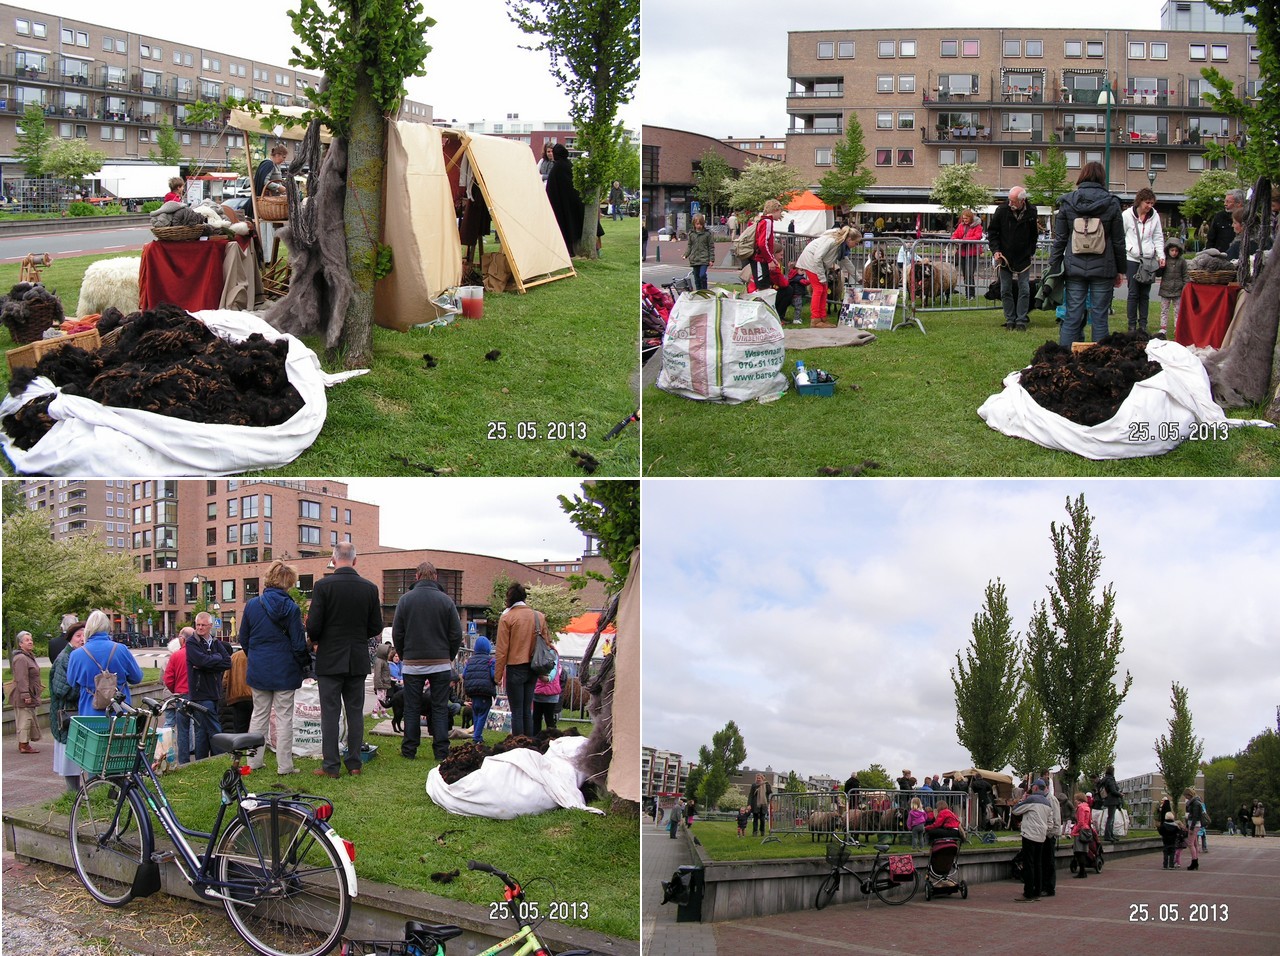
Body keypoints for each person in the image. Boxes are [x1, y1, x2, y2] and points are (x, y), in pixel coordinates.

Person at [307, 542, 383, 777]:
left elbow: (314, 625)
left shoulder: (323, 586)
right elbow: (376, 627)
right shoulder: (369, 588)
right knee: (355, 711)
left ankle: (331, 765)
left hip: (330, 658)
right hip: (357, 657)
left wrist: (319, 640)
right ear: (355, 560)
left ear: (333, 559)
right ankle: (354, 763)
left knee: (330, 713)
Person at [241, 561, 309, 776]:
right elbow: (298, 643)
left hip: (259, 667)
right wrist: (303, 663)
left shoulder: (252, 605)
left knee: (258, 715)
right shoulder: (292, 608)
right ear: (289, 583)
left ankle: (253, 762)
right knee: (284, 718)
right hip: (285, 669)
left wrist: (255, 656)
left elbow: (244, 637)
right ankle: (285, 766)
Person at [1048, 161, 1126, 348]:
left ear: (1082, 176)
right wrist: (1120, 270)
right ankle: (1099, 362)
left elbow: (1060, 239)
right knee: (1100, 316)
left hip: (1074, 267)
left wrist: (1054, 265)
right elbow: (1118, 241)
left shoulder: (1067, 202)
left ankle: (1065, 359)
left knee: (1072, 315)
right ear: (1102, 178)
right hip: (1103, 268)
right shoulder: (1112, 203)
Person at [391, 561, 463, 762]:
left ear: (416, 576)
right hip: (440, 663)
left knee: (412, 708)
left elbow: (398, 632)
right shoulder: (446, 601)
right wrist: (448, 655)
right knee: (439, 707)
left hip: (413, 663)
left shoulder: (405, 600)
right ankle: (441, 751)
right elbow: (456, 634)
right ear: (436, 576)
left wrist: (404, 655)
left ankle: (409, 750)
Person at [66, 610, 144, 717]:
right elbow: (137, 678)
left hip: (89, 714)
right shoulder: (121, 650)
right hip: (120, 713)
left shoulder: (77, 655)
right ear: (108, 627)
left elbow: (72, 682)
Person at [988, 186, 1039, 330]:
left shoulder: (1032, 211)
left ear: (1022, 200)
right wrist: (996, 250)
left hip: (1023, 256)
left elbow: (1033, 235)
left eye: (1013, 201)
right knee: (1005, 289)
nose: (1010, 203)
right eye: (1009, 200)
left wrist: (1031, 251)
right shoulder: (1002, 210)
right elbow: (992, 232)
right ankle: (1010, 319)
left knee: (1024, 289)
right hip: (1005, 256)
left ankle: (1021, 320)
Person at [795, 226, 862, 328]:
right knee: (818, 289)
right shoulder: (832, 241)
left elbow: (847, 263)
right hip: (811, 262)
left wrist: (859, 278)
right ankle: (815, 319)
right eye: (856, 243)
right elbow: (817, 257)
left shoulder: (841, 245)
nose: (856, 245)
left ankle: (822, 318)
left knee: (824, 289)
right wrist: (822, 277)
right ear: (849, 239)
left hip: (816, 263)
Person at [186, 612, 231, 760]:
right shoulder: (192, 642)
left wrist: (210, 662)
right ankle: (221, 757)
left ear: (210, 626)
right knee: (212, 726)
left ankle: (202, 760)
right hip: (200, 693)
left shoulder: (216, 643)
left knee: (202, 728)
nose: (200, 628)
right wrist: (215, 660)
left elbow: (227, 662)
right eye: (197, 625)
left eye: (203, 625)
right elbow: (200, 661)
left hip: (214, 692)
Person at [49, 620, 87, 790]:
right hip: (67, 715)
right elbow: (61, 689)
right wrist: (85, 689)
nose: (82, 639)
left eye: (85, 636)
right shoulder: (64, 658)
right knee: (69, 756)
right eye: (78, 636)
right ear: (70, 638)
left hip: (76, 714)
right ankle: (73, 793)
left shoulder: (78, 656)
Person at [1122, 187, 1165, 333]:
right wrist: (1130, 249)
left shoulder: (1155, 217)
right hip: (1132, 259)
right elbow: (1121, 236)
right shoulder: (1127, 215)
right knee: (1133, 292)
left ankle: (1143, 325)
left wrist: (1161, 255)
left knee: (1145, 294)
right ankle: (1132, 324)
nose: (1149, 206)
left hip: (1148, 259)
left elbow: (1158, 237)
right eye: (1147, 202)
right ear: (1140, 201)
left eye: (1152, 203)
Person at [1010, 780, 1053, 901]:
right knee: (1038, 863)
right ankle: (1037, 891)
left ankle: (1028, 892)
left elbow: (1016, 810)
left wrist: (1021, 801)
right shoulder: (1047, 802)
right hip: (1041, 836)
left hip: (1029, 834)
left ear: (1034, 788)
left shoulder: (1031, 800)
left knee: (1029, 864)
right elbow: (1050, 822)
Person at [162, 627, 194, 764]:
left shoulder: (176, 656)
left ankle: (183, 759)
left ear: (182, 639)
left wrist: (175, 690)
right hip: (198, 695)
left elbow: (167, 679)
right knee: (197, 727)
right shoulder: (200, 653)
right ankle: (200, 756)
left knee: (182, 729)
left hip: (180, 695)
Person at [546, 143, 584, 256]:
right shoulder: (569, 165)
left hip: (561, 204)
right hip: (572, 203)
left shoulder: (557, 168)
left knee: (565, 227)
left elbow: (551, 188)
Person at [10, 630, 43, 754]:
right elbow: (21, 678)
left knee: (28, 718)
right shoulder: (21, 658)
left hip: (30, 693)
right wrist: (25, 694)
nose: (30, 642)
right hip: (23, 695)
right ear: (20, 644)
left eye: (31, 640)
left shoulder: (28, 656)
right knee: (25, 719)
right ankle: (23, 745)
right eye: (27, 640)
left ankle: (24, 744)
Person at [462, 636, 496, 743]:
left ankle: (477, 735)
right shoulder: (490, 661)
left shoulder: (470, 661)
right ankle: (476, 737)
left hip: (472, 691)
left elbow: (463, 675)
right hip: (485, 691)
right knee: (482, 714)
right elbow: (493, 675)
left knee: (476, 713)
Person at [750, 198, 785, 290]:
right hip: (760, 259)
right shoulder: (767, 222)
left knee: (764, 285)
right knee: (762, 287)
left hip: (761, 259)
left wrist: (772, 259)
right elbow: (763, 243)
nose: (780, 215)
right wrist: (770, 260)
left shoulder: (763, 221)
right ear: (775, 210)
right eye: (780, 212)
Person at [1157, 237, 1188, 337]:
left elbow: (1185, 275)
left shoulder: (1182, 261)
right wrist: (1160, 266)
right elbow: (1158, 274)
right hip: (1165, 290)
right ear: (1168, 250)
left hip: (1178, 290)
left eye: (1176, 250)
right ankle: (1163, 328)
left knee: (1177, 311)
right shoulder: (1164, 260)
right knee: (1164, 310)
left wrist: (1185, 287)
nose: (1174, 252)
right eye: (1172, 250)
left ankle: (1177, 328)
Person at [951, 209, 984, 299]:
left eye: (966, 218)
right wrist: (955, 239)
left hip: (972, 253)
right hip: (962, 253)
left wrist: (964, 240)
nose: (964, 220)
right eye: (963, 218)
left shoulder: (978, 226)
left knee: (969, 274)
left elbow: (978, 237)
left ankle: (971, 294)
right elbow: (955, 235)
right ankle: (967, 295)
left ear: (971, 217)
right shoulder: (961, 226)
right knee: (965, 275)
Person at [222, 647, 253, 734]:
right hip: (253, 694)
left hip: (237, 697)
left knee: (240, 727)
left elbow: (225, 680)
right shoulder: (255, 655)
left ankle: (241, 746)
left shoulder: (234, 657)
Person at [531, 648, 562, 735]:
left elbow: (554, 668)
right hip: (539, 692)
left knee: (548, 719)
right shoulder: (540, 651)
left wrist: (548, 678)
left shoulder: (552, 653)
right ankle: (537, 739)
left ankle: (550, 739)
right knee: (537, 719)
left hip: (549, 693)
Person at [683, 213, 715, 291]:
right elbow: (690, 245)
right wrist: (686, 255)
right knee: (696, 277)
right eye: (697, 224)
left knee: (702, 275)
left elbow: (711, 247)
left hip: (704, 258)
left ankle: (704, 289)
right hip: (694, 258)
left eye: (701, 224)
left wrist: (711, 259)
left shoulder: (707, 234)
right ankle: (698, 291)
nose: (699, 226)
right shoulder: (691, 234)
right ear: (694, 224)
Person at [1071, 791, 1094, 878]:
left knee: (1078, 852)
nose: (1075, 801)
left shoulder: (1080, 808)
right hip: (1086, 830)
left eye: (1076, 800)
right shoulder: (1087, 807)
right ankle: (1083, 871)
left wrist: (1074, 831)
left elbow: (1080, 822)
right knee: (1084, 852)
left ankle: (1082, 872)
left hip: (1080, 832)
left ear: (1079, 800)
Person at [1098, 765, 1123, 843]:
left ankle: (1110, 835)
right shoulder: (1110, 779)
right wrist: (1120, 794)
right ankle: (1108, 835)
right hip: (1112, 800)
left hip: (1107, 800)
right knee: (1111, 819)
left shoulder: (1104, 779)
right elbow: (1113, 791)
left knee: (1110, 818)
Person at [371, 642, 394, 719]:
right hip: (381, 683)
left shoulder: (383, 661)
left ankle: (383, 712)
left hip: (384, 683)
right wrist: (378, 684)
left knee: (383, 698)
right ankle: (374, 712)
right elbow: (377, 674)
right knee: (380, 698)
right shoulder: (380, 661)